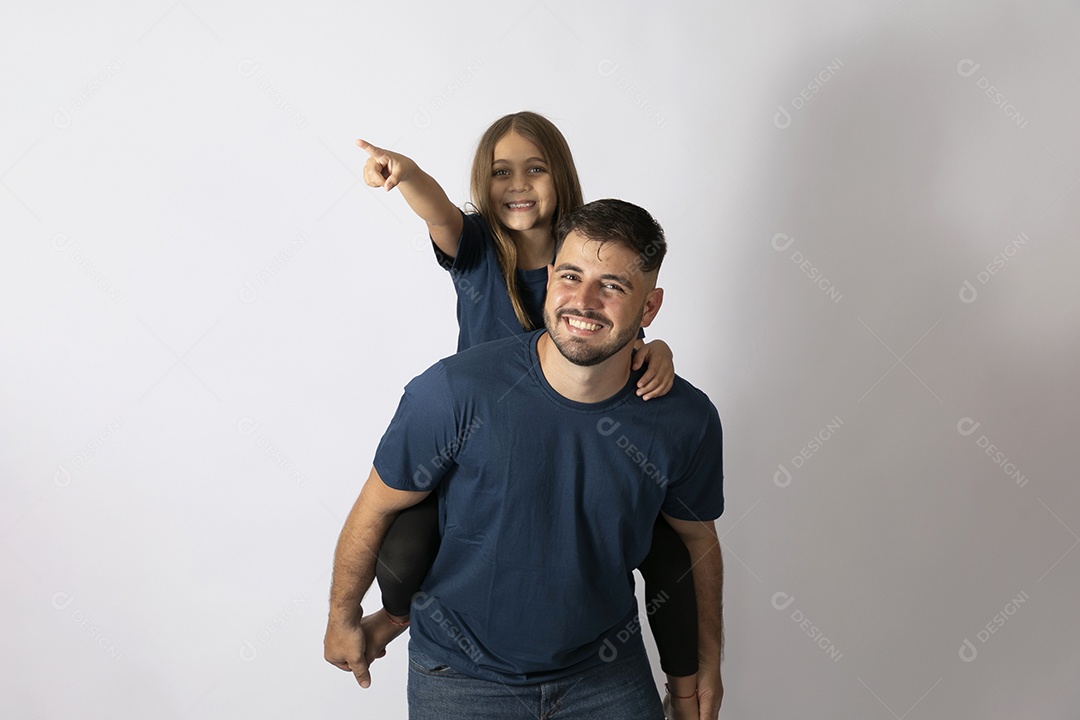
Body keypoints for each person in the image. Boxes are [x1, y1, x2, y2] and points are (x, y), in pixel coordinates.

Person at [354, 112, 700, 716]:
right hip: (480, 450)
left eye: (534, 169)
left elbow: (617, 328)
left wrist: (658, 346)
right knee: (408, 552)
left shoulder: (586, 258)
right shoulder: (477, 248)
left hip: (575, 442)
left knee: (667, 549)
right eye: (501, 172)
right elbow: (437, 209)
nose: (518, 184)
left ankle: (684, 686)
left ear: (560, 175)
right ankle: (397, 616)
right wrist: (406, 174)